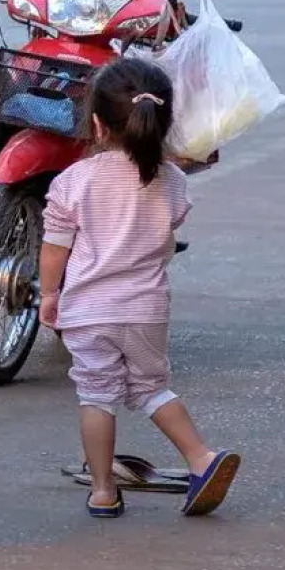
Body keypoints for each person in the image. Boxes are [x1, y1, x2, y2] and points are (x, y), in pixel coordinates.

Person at [38, 58, 240, 519]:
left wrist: (49, 296)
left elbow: (54, 250)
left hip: (91, 310)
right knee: (151, 388)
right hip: (147, 309)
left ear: (96, 124)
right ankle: (201, 459)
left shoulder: (74, 182)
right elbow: (166, 240)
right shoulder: (173, 182)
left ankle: (104, 489)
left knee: (97, 394)